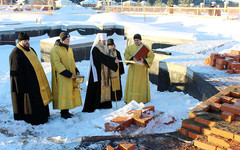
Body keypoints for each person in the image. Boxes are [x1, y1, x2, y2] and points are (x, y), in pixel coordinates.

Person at [9, 32, 52, 125]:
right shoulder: (15, 53)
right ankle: (35, 119)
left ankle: (43, 116)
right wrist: (21, 86)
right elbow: (16, 73)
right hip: (27, 84)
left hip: (36, 82)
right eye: (25, 41)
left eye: (28, 40)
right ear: (19, 41)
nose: (27, 42)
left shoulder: (31, 49)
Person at [82, 33, 119, 112]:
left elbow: (107, 56)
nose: (104, 42)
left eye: (105, 41)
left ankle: (105, 104)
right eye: (103, 41)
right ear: (99, 40)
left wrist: (113, 57)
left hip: (105, 71)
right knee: (97, 88)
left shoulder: (105, 48)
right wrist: (112, 60)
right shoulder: (96, 48)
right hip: (98, 72)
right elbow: (102, 58)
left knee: (106, 87)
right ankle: (96, 104)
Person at [50, 32, 82, 119]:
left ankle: (67, 111)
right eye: (67, 40)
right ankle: (63, 113)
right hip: (62, 76)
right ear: (62, 40)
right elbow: (57, 64)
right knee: (64, 92)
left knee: (69, 92)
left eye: (69, 39)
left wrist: (76, 70)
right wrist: (67, 74)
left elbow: (72, 61)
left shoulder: (69, 49)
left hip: (71, 74)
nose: (68, 41)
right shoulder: (55, 50)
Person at [124, 33, 155, 104]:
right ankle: (130, 98)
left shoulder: (145, 48)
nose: (136, 41)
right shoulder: (130, 47)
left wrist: (144, 60)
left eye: (137, 40)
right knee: (132, 83)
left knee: (140, 84)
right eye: (135, 40)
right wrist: (132, 58)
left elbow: (151, 56)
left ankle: (142, 99)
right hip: (133, 69)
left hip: (141, 70)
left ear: (140, 40)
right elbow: (126, 54)